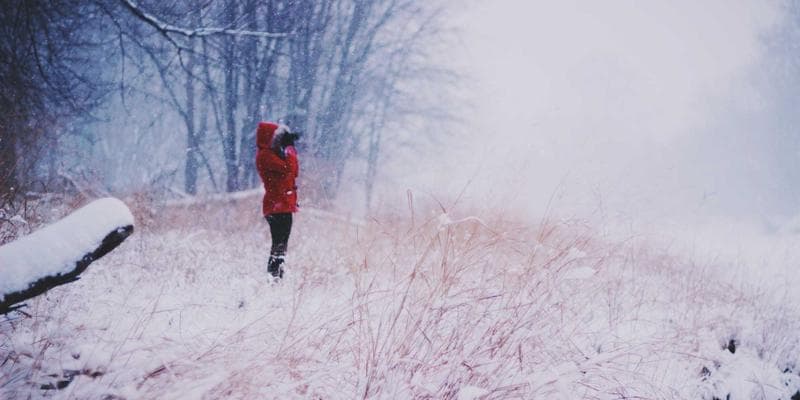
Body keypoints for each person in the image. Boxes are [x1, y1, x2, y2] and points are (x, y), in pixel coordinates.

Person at [255, 121, 299, 280]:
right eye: (277, 138)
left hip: (282, 205)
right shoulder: (265, 156)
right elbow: (288, 169)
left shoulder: (273, 155)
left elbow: (294, 172)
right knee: (279, 245)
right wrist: (289, 149)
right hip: (277, 206)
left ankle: (276, 276)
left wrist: (287, 149)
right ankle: (274, 278)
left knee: (281, 245)